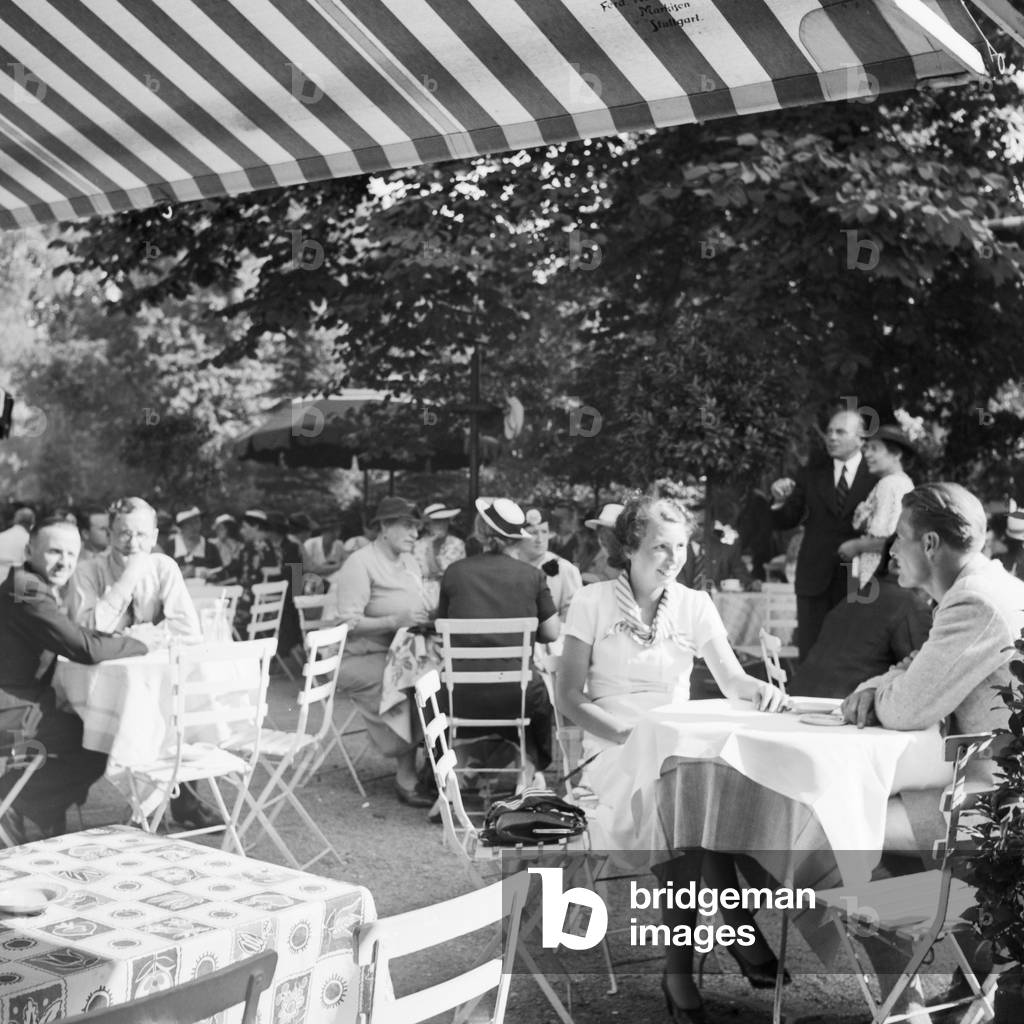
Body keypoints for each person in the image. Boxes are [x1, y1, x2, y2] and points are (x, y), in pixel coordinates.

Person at [556, 495, 788, 1021]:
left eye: (680, 546)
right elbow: (568, 697)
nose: (673, 557)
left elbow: (731, 679)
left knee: (706, 791)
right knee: (688, 809)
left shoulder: (694, 604)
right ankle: (720, 938)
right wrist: (629, 737)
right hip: (612, 746)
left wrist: (761, 691)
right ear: (629, 548)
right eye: (660, 546)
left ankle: (694, 959)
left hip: (675, 745)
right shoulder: (590, 602)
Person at [840, 483, 1024, 1023]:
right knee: (882, 828)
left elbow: (907, 706)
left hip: (995, 802)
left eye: (899, 538)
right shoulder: (984, 587)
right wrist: (885, 686)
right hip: (987, 780)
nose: (891, 550)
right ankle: (949, 993)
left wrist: (878, 693)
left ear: (931, 545)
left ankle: (908, 1004)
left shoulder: (976, 603)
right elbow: (914, 671)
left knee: (839, 831)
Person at [0, 517, 149, 842]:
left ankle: (27, 802)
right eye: (54, 551)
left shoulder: (25, 584)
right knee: (96, 738)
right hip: (8, 713)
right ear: (29, 549)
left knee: (89, 732)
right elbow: (84, 649)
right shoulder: (26, 589)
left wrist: (112, 638)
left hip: (17, 704)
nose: (64, 562)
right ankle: (20, 799)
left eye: (71, 554)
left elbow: (77, 636)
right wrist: (141, 642)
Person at [436, 498, 559, 773]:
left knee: (429, 690)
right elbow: (552, 632)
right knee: (539, 693)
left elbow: (441, 625)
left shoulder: (455, 572)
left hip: (459, 695)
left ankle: (449, 773)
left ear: (480, 532)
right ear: (517, 539)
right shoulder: (532, 576)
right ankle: (527, 770)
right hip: (518, 694)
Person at [325, 497, 434, 806]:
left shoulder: (410, 562)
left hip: (402, 651)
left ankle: (436, 765)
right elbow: (346, 623)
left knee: (433, 678)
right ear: (384, 527)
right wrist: (392, 620)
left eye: (417, 527)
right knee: (404, 683)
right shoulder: (360, 562)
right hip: (357, 656)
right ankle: (405, 773)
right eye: (407, 526)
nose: (415, 533)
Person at [771, 408, 874, 657]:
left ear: (861, 438)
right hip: (813, 579)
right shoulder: (811, 473)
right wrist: (779, 502)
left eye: (840, 432)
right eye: (829, 432)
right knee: (811, 654)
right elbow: (787, 520)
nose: (832, 437)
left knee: (853, 655)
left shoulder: (876, 476)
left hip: (859, 582)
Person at [791, 537, 932, 700]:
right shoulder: (911, 606)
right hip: (839, 711)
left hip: (799, 701)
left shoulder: (857, 597)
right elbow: (924, 681)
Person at [66, 497, 200, 640]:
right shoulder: (86, 571)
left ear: (154, 537)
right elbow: (83, 634)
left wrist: (139, 636)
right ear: (110, 535)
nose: (133, 544)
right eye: (125, 534)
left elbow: (188, 629)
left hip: (153, 659)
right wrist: (127, 580)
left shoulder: (164, 568)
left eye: (141, 535)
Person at [839, 425, 915, 587]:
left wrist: (856, 546)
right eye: (866, 449)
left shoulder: (889, 484)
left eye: (874, 449)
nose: (867, 454)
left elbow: (888, 540)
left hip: (878, 574)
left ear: (896, 454)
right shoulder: (901, 482)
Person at [515, 508, 582, 619]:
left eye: (544, 532)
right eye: (533, 532)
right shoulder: (508, 565)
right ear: (520, 535)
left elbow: (572, 615)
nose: (540, 539)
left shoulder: (566, 569)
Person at [675, 506, 750, 591]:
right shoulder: (675, 550)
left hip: (714, 602)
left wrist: (752, 583)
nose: (696, 529)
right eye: (692, 524)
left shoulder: (726, 549)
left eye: (701, 524)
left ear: (711, 524)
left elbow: (740, 572)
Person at [414, 502, 466, 595]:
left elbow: (439, 572)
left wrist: (430, 547)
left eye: (445, 520)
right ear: (427, 525)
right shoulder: (416, 545)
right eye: (437, 521)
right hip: (419, 597)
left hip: (447, 596)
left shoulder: (456, 544)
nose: (442, 524)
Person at [170, 506, 222, 578]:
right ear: (181, 527)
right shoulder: (170, 547)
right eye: (189, 524)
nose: (194, 527)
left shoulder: (210, 548)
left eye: (197, 522)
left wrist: (207, 574)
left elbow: (220, 574)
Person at [581, 503, 624, 583]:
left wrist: (578, 576)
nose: (601, 537)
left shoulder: (621, 555)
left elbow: (609, 578)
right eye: (600, 531)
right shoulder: (596, 548)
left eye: (605, 532)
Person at [0, 505, 35, 582]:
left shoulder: (1, 536)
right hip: (13, 585)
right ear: (32, 523)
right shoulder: (29, 540)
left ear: (16, 520)